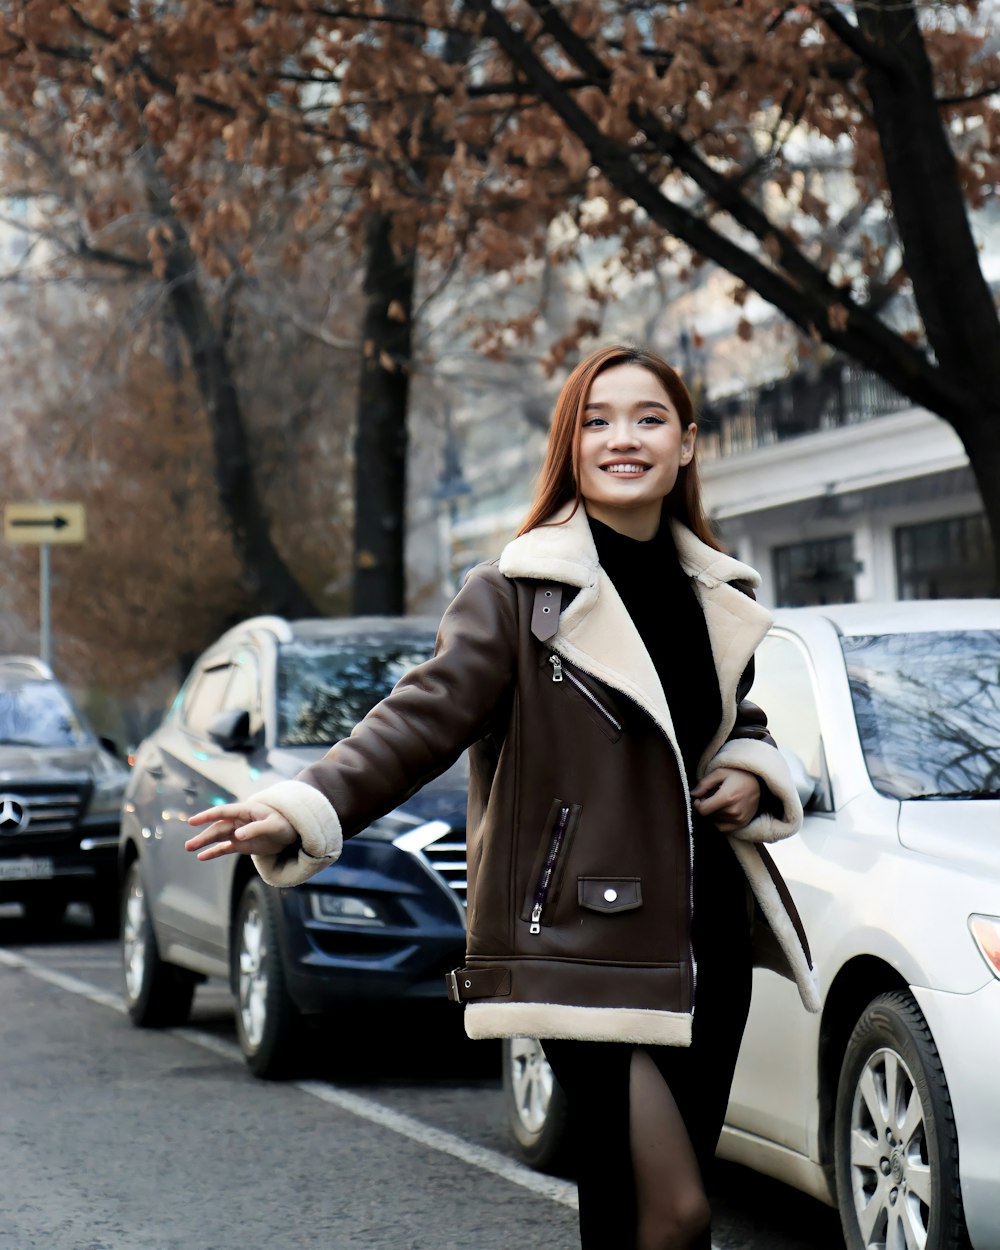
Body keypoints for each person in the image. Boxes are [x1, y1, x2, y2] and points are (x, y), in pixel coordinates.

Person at [185, 344, 820, 1250]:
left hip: (699, 934)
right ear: (569, 446)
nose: (621, 439)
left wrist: (749, 769)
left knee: (632, 1214)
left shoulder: (717, 595)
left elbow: (732, 717)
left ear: (686, 445)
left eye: (647, 419)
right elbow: (420, 718)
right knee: (674, 1211)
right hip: (574, 940)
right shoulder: (518, 596)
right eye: (596, 421)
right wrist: (305, 804)